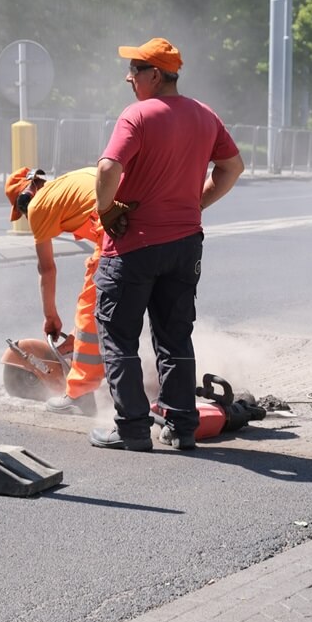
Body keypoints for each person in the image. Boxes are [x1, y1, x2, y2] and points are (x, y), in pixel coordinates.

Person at [89, 37, 245, 452]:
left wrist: (105, 210)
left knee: (119, 336)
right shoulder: (205, 115)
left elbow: (107, 167)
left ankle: (133, 429)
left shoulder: (137, 115)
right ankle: (181, 427)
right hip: (184, 246)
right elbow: (232, 167)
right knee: (175, 336)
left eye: (135, 71)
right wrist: (197, 202)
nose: (128, 77)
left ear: (155, 75)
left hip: (134, 246)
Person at [4, 165, 105, 416]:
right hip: (145, 219)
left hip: (115, 230)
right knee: (118, 305)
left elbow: (46, 269)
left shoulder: (40, 206)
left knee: (89, 308)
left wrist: (51, 317)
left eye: (22, 209)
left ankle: (80, 393)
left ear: (27, 196)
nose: (27, 216)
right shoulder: (67, 184)